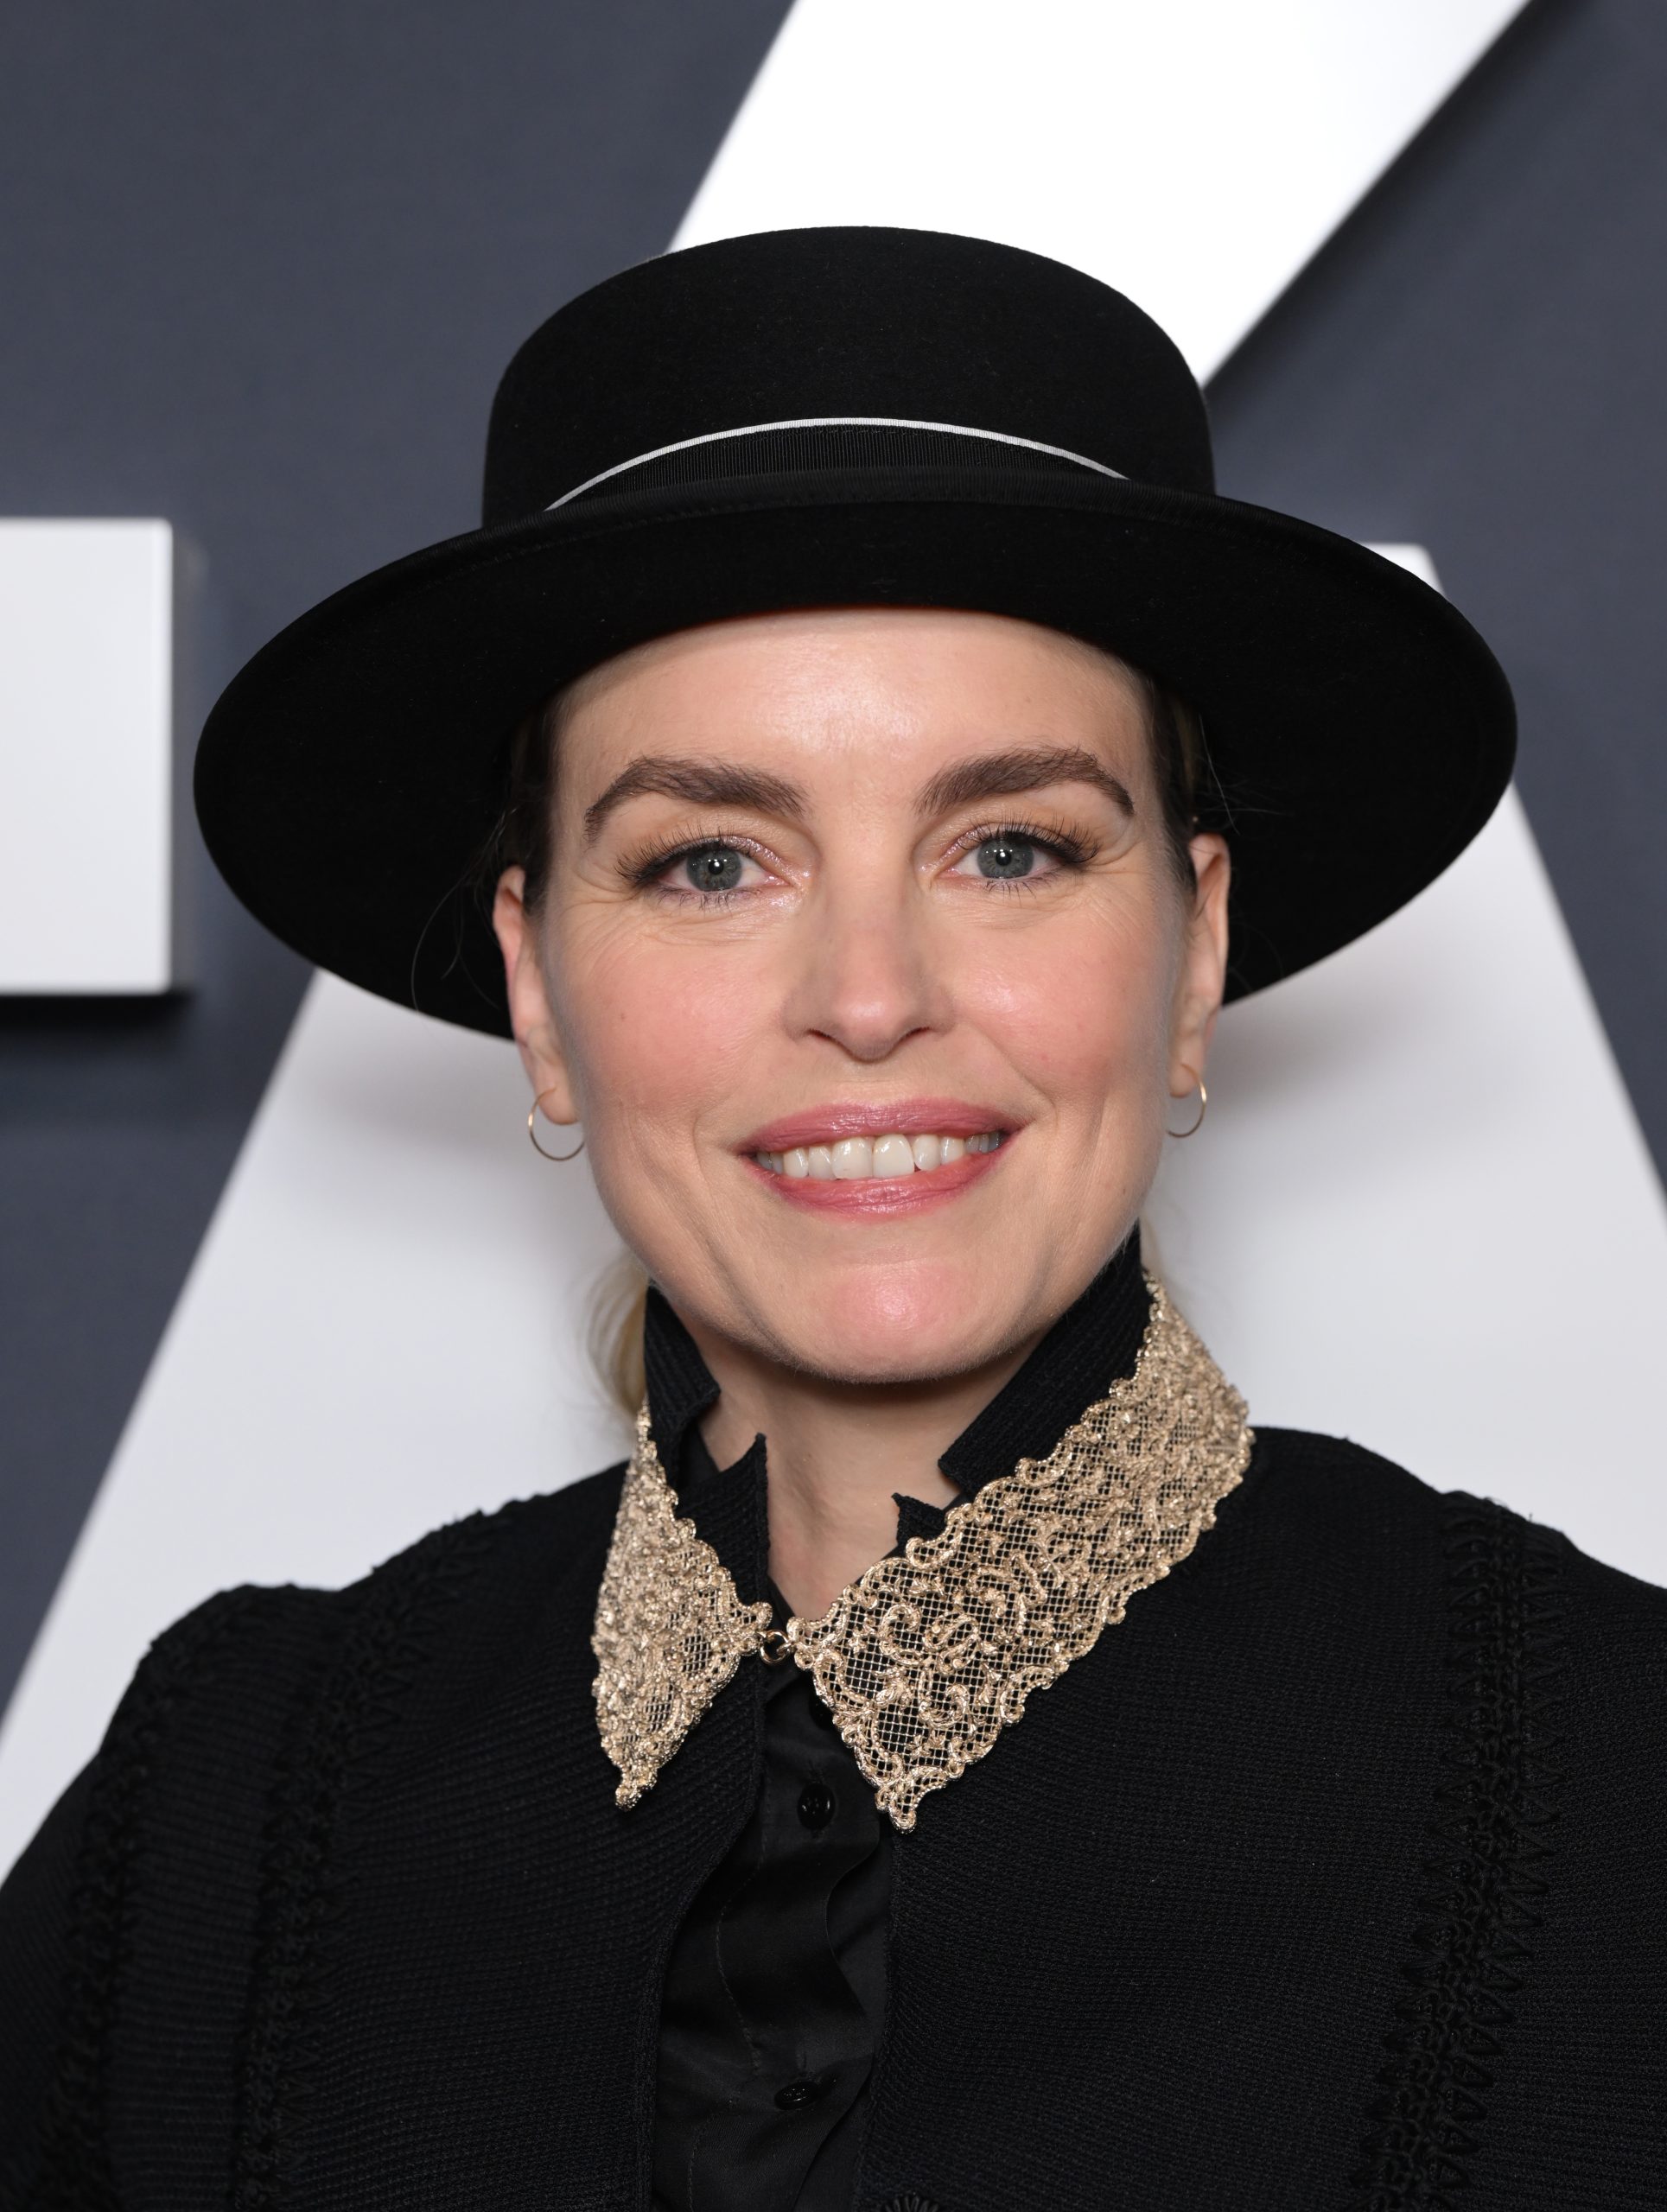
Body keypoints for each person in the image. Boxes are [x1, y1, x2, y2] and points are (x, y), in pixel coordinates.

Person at [2, 226, 1663, 2212]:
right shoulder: (216, 1818)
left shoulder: (1611, 1781)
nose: (868, 996)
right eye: (710, 861)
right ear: (537, 989)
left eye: (1008, 846)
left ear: (1195, 945)